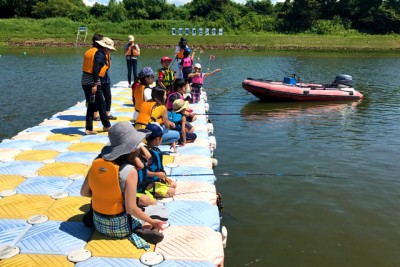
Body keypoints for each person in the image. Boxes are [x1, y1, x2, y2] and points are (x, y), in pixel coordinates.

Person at [80, 121, 166, 250]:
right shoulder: (129, 171)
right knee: (156, 210)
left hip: (98, 222)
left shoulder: (97, 163)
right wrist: (153, 222)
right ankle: (138, 228)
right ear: (132, 148)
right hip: (120, 227)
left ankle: (135, 226)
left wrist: (105, 195)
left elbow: (84, 193)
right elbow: (131, 209)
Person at [81, 36, 113, 135]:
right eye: (109, 49)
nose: (109, 51)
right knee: (101, 104)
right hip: (92, 82)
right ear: (105, 47)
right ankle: (106, 126)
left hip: (85, 80)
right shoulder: (100, 55)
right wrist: (95, 84)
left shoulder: (93, 52)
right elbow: (95, 69)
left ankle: (90, 128)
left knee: (92, 104)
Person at [144, 123, 177, 198]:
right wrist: (157, 174)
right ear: (157, 139)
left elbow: (160, 168)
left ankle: (158, 187)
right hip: (148, 183)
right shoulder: (145, 154)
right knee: (172, 192)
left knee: (174, 184)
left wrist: (164, 177)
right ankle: (147, 191)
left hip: (155, 180)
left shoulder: (157, 151)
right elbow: (143, 172)